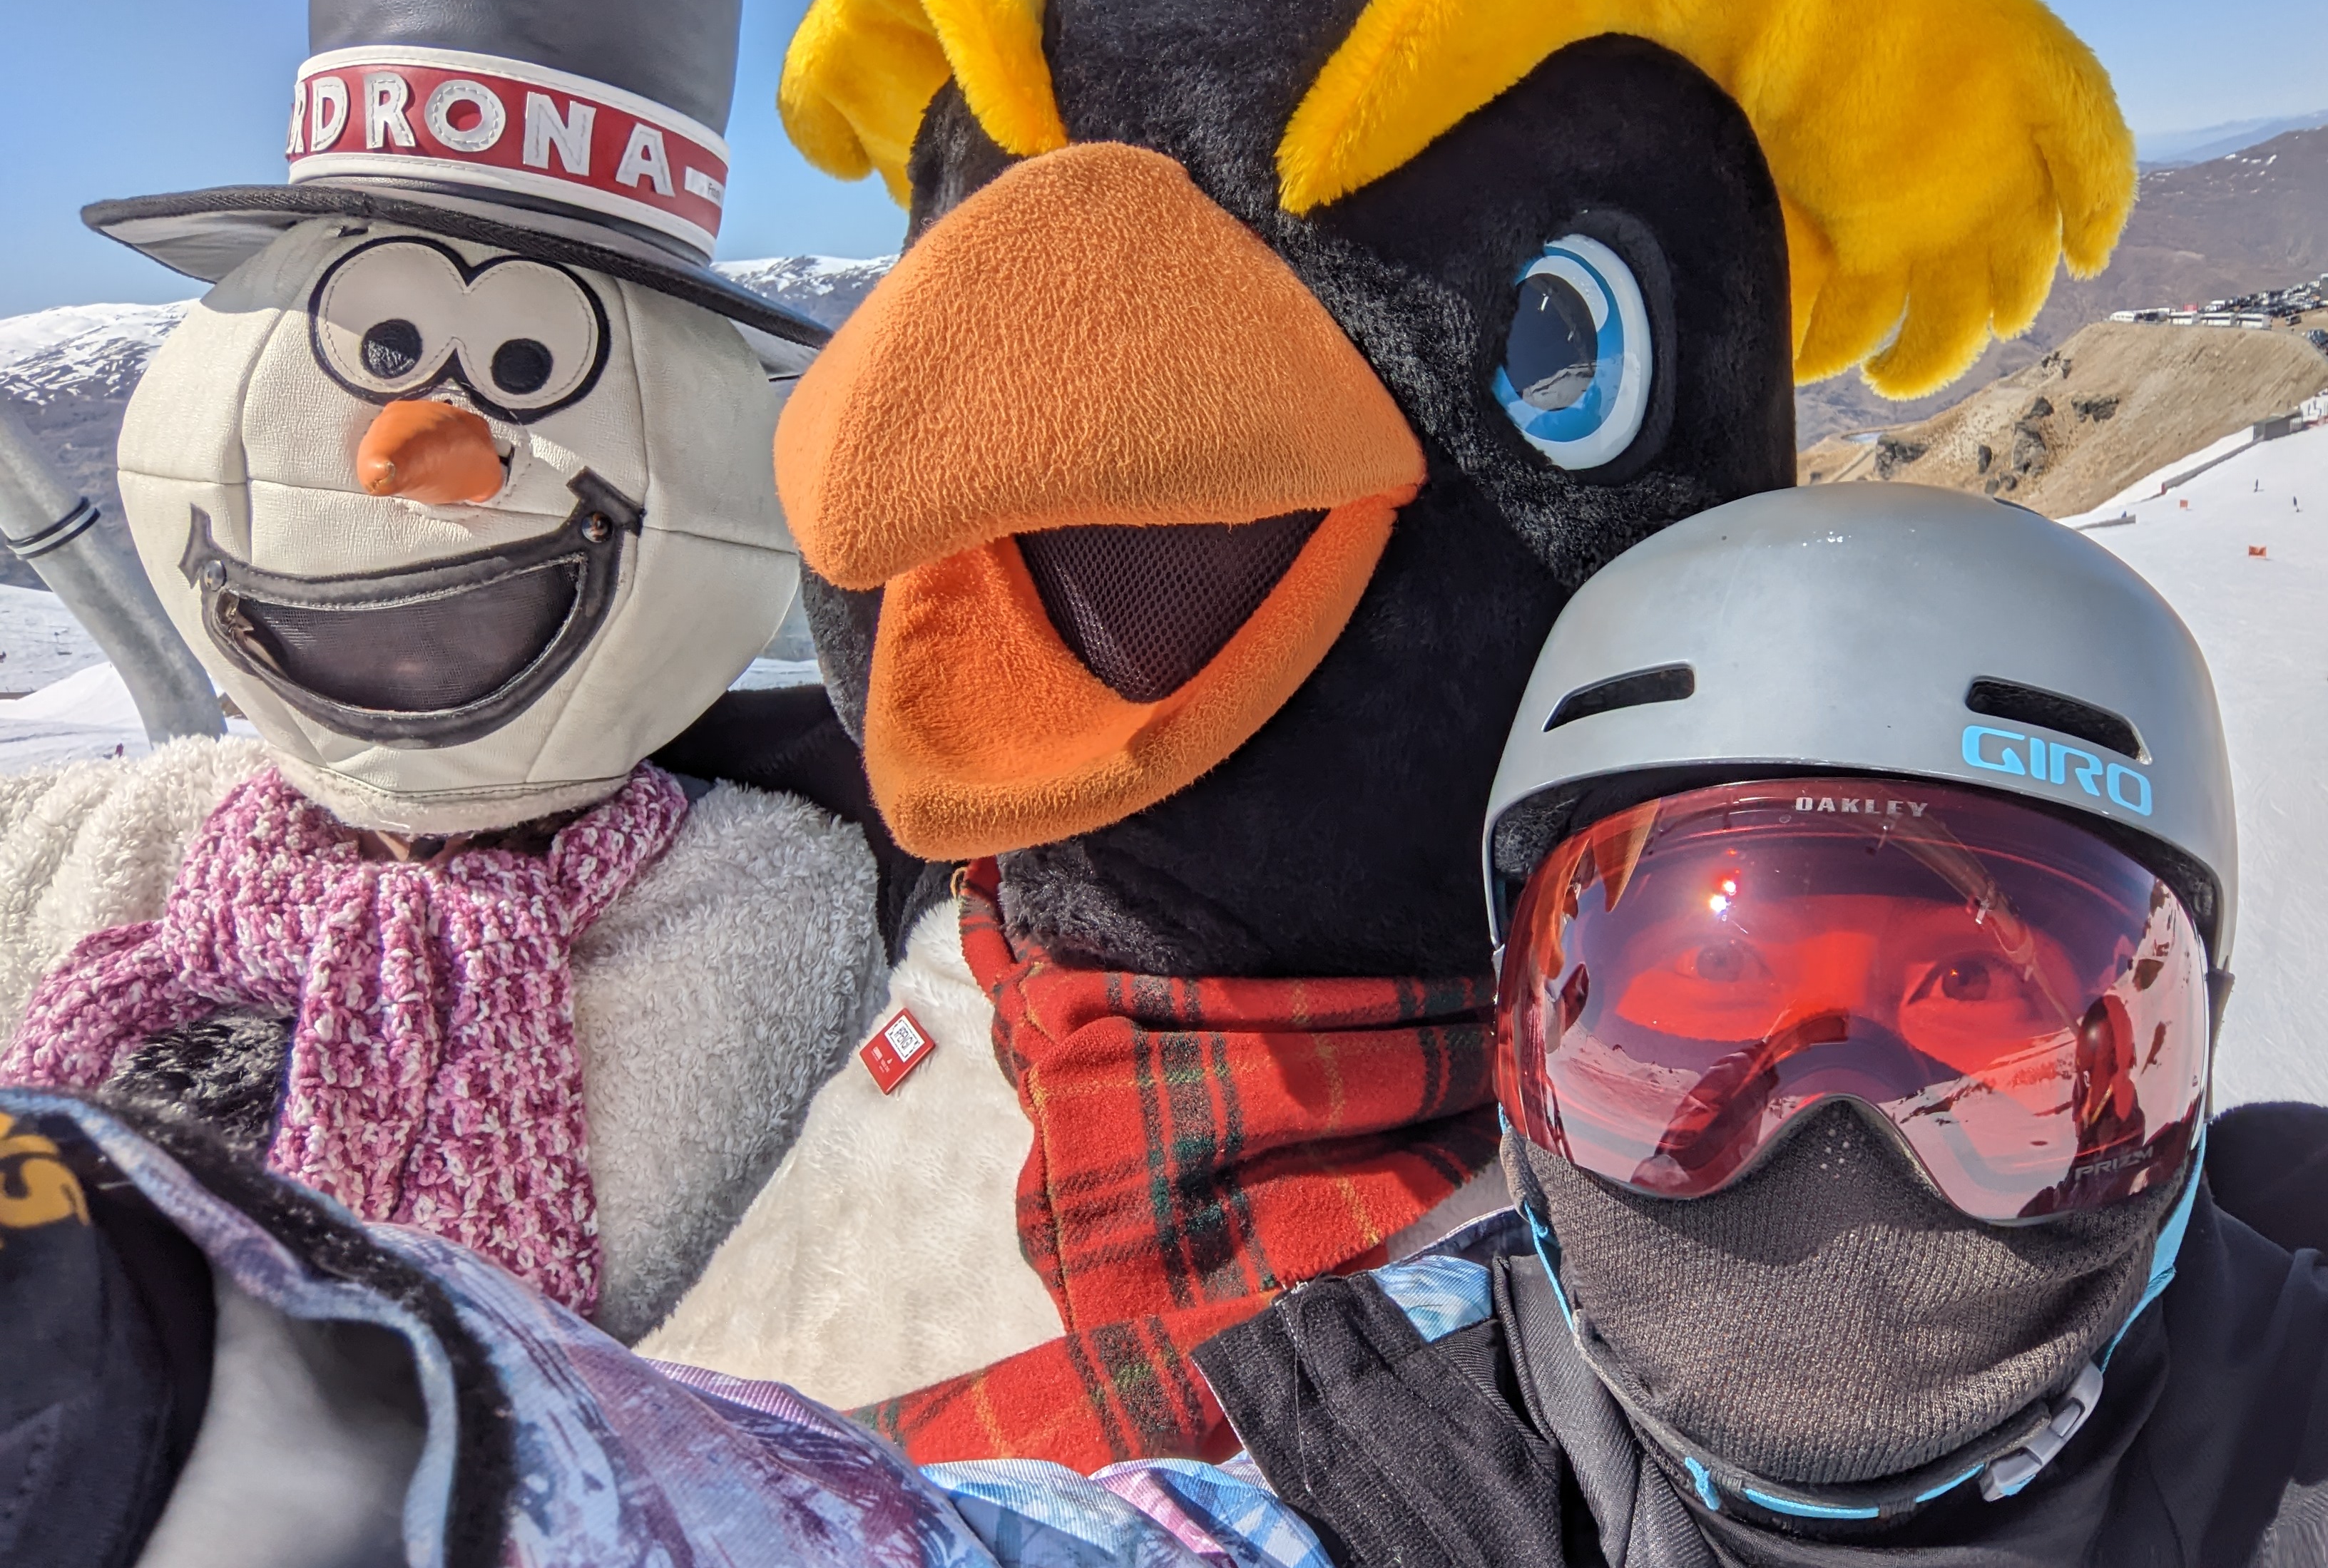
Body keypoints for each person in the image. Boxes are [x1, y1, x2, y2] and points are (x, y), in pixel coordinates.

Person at [9, 482, 2326, 1567]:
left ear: (2182, 1064)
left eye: (1986, 1027)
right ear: (1528, 1049)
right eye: (1698, 1027)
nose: (1837, 1145)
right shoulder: (1414, 1462)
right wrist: (206, 1393)